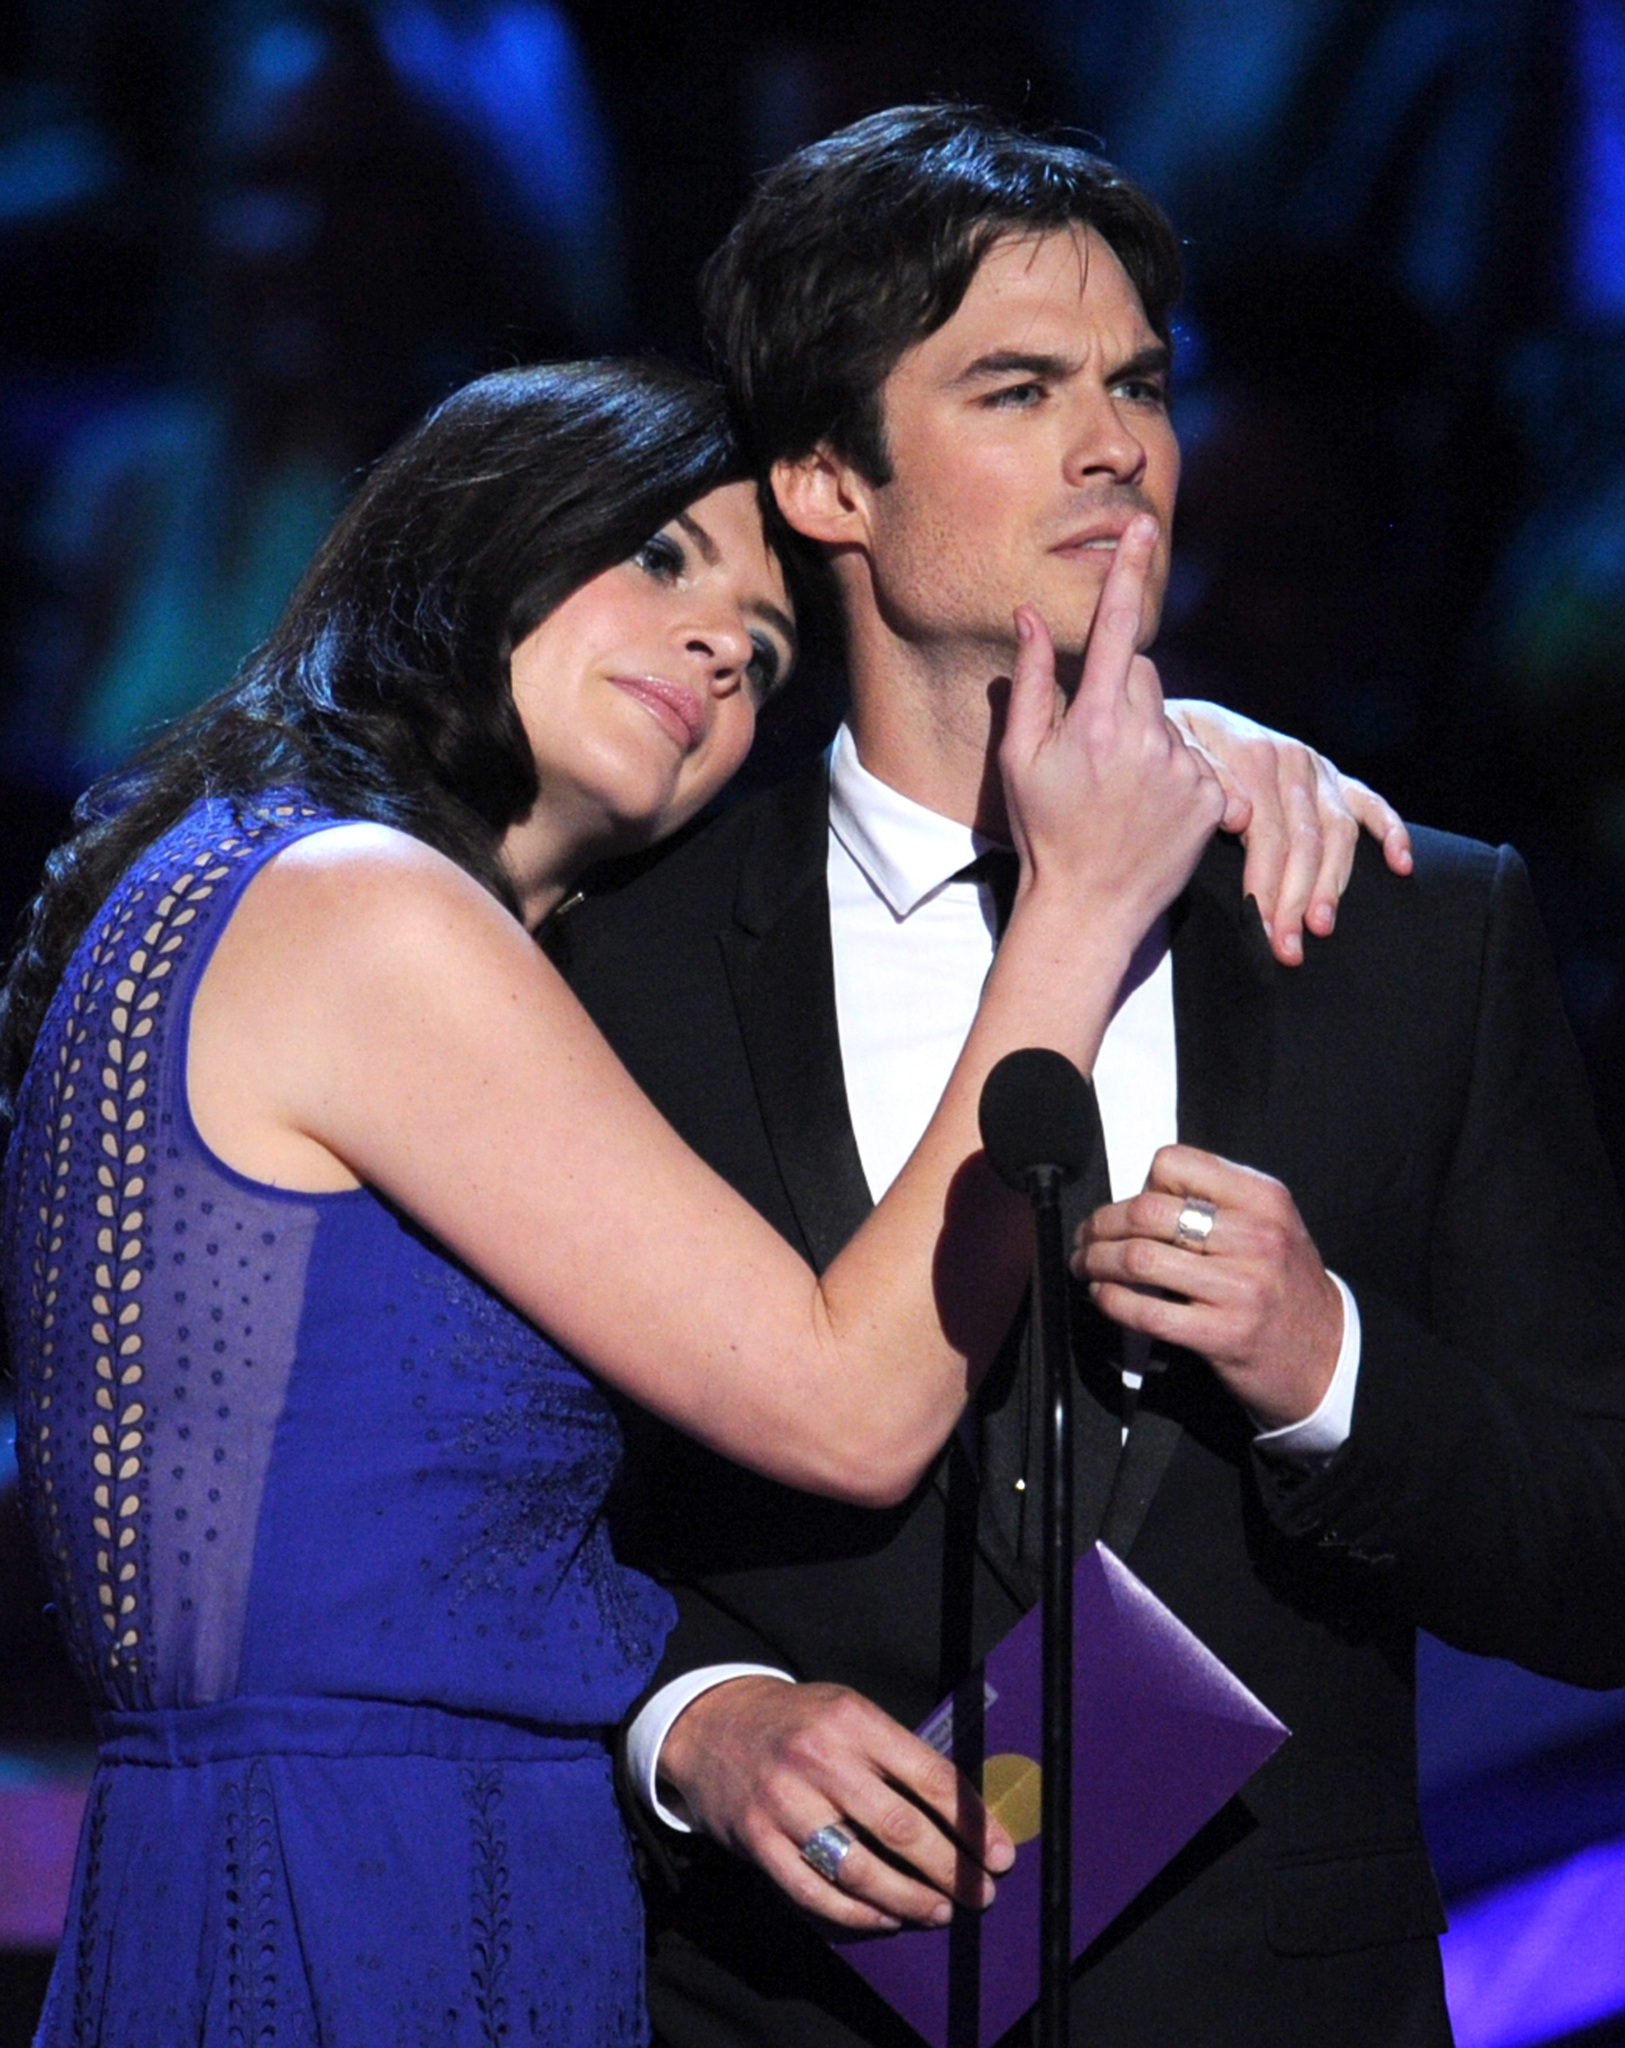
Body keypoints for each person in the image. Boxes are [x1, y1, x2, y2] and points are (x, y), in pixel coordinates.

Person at [0, 355, 1381, 2046]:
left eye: (765, 645)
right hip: (375, 1907)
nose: (726, 643)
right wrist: (1083, 907)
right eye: (660, 558)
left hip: (277, 1876)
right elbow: (853, 1408)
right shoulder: (360, 911)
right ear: (477, 529)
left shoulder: (258, 883)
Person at [554, 109, 1625, 2047]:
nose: (1117, 443)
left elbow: (1605, 1554)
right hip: (785, 2008)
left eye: (1140, 381)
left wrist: (1337, 1371)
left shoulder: (1399, 921)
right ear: (822, 477)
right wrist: (696, 1723)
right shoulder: (612, 964)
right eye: (1018, 386)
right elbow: (498, 1522)